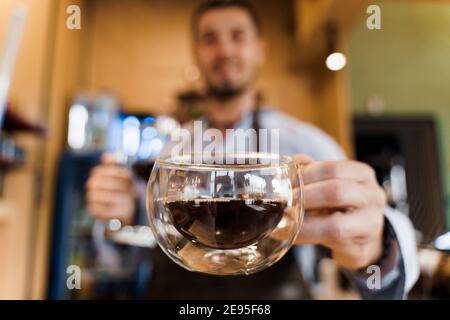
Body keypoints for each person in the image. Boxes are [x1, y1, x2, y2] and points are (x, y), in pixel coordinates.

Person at [86, 0, 419, 299]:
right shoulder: (172, 147)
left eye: (237, 36)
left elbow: (379, 241)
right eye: (209, 38)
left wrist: (375, 245)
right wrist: (121, 213)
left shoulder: (304, 143)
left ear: (260, 49)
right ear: (196, 53)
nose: (224, 50)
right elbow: (127, 257)